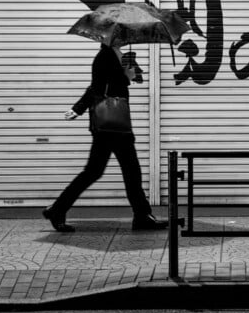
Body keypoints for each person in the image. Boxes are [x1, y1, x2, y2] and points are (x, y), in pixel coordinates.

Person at [42, 43, 168, 232]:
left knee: (103, 171)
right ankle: (141, 216)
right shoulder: (105, 56)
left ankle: (58, 209)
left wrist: (128, 75)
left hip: (115, 126)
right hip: (110, 127)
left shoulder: (115, 54)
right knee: (122, 170)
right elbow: (96, 87)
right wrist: (79, 108)